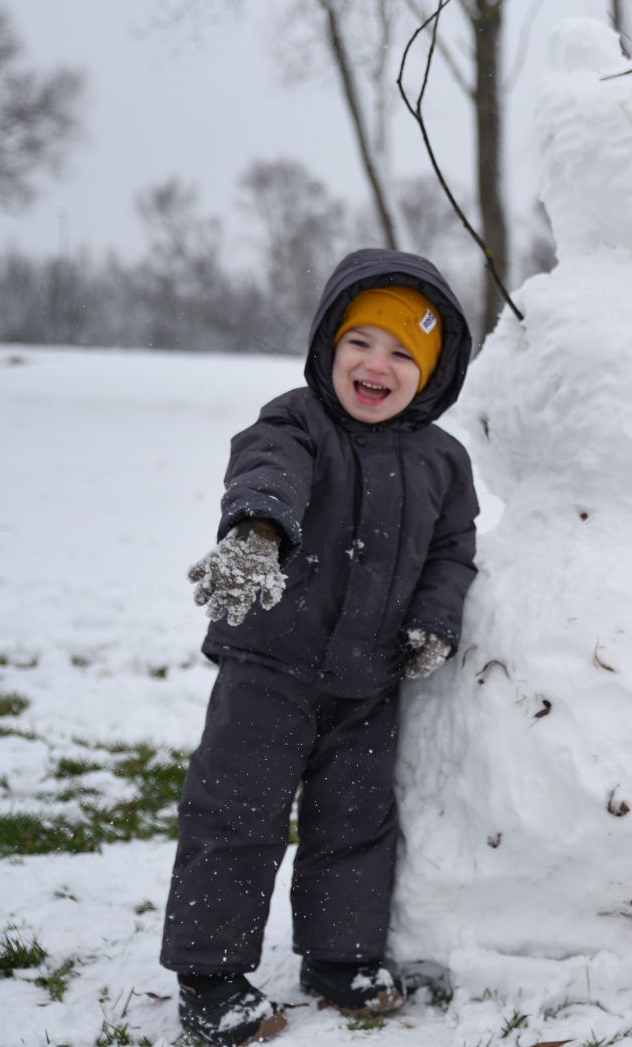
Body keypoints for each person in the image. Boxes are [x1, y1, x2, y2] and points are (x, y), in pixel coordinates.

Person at [160, 248, 478, 1045]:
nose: (378, 364)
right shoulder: (296, 420)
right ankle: (209, 972)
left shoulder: (443, 460)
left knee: (357, 822)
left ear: (433, 373)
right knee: (237, 813)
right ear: (330, 348)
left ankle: (339, 956)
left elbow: (452, 552)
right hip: (270, 665)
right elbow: (268, 474)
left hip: (370, 679)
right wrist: (257, 534)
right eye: (361, 343)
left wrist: (436, 622)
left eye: (404, 352)